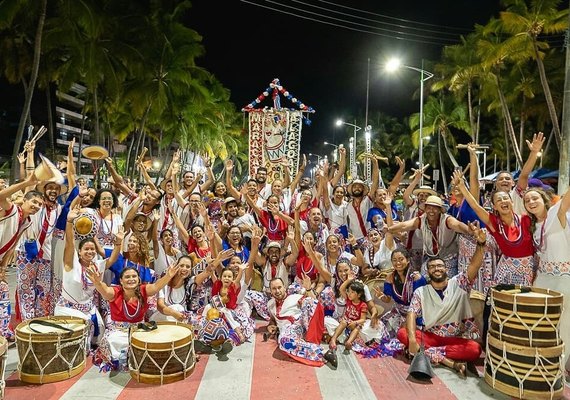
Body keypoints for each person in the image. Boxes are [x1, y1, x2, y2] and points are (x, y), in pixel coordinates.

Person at [397, 222, 487, 377]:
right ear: (428, 272)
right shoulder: (421, 291)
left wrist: (481, 243)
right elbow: (411, 314)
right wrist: (412, 339)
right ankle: (449, 361)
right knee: (403, 334)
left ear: (446, 269)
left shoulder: (459, 283)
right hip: (431, 337)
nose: (437, 269)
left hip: (455, 339)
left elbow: (474, 265)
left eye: (440, 266)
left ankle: (427, 353)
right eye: (432, 267)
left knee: (474, 350)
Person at [87, 263, 180, 371]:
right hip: (119, 331)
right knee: (114, 341)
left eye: (134, 276)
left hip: (140, 329)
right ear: (121, 281)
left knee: (152, 340)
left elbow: (156, 286)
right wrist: (98, 283)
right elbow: (105, 290)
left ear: (139, 279)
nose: (131, 279)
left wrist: (169, 275)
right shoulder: (115, 292)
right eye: (127, 277)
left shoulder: (144, 290)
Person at [454, 170, 535, 286]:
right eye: (498, 200)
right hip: (505, 273)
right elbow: (475, 206)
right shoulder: (494, 224)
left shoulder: (526, 220)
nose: (503, 201)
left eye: (505, 198)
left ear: (512, 202)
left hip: (528, 272)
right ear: (495, 207)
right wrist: (462, 187)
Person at [524, 186, 570, 373]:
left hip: (563, 279)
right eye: (527, 201)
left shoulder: (555, 215)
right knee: (542, 323)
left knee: (565, 324)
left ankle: (558, 367)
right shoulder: (533, 226)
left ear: (545, 200)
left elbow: (566, 200)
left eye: (535, 198)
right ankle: (541, 364)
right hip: (542, 279)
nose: (531, 203)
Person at [0, 175, 44, 338]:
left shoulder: (27, 222)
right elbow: (1, 196)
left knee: (3, 293)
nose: (36, 206)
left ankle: (3, 332)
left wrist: (3, 267)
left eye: (39, 204)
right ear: (24, 201)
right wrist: (26, 183)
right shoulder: (11, 209)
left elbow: (12, 246)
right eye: (34, 202)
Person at [266, 277, 337, 368]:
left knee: (309, 301)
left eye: (279, 287)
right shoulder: (270, 304)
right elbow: (272, 319)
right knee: (283, 341)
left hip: (302, 324)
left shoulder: (294, 297)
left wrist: (308, 289)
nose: (277, 291)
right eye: (274, 289)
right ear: (270, 291)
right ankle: (324, 353)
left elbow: (313, 303)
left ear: (284, 287)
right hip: (288, 331)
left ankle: (312, 337)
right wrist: (271, 325)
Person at [375, 248, 427, 338]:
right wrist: (381, 297)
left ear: (407, 260)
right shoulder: (390, 278)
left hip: (416, 313)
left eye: (401, 259)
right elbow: (387, 300)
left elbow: (423, 301)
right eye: (394, 260)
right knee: (380, 328)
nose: (398, 263)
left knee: (405, 334)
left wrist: (409, 319)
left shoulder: (416, 278)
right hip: (398, 311)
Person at [328, 276, 368, 351]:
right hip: (346, 320)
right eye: (349, 291)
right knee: (343, 322)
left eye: (352, 292)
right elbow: (341, 289)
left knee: (357, 328)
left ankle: (349, 342)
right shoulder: (348, 300)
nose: (349, 294)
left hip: (355, 323)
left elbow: (363, 319)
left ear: (359, 295)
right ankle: (333, 339)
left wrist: (355, 322)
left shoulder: (363, 305)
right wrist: (348, 280)